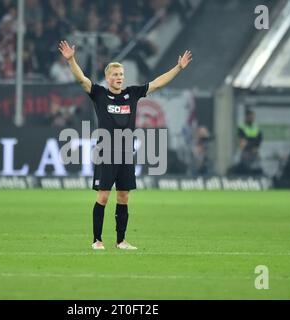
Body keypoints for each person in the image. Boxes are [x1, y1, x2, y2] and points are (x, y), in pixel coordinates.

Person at [58, 40, 192, 250]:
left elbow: (157, 83)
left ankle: (121, 241)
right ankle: (97, 240)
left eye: (121, 75)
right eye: (115, 75)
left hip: (126, 153)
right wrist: (71, 60)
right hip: (105, 153)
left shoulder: (132, 94)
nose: (119, 78)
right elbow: (82, 80)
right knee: (103, 196)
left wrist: (178, 68)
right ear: (108, 78)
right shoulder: (100, 94)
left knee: (124, 196)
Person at [229, 108, 263, 176]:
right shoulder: (242, 127)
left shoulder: (256, 127)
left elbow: (259, 139)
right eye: (251, 117)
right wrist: (249, 147)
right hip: (245, 151)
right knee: (244, 166)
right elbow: (242, 140)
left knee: (256, 166)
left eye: (253, 117)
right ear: (246, 117)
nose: (252, 118)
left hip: (254, 151)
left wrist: (256, 148)